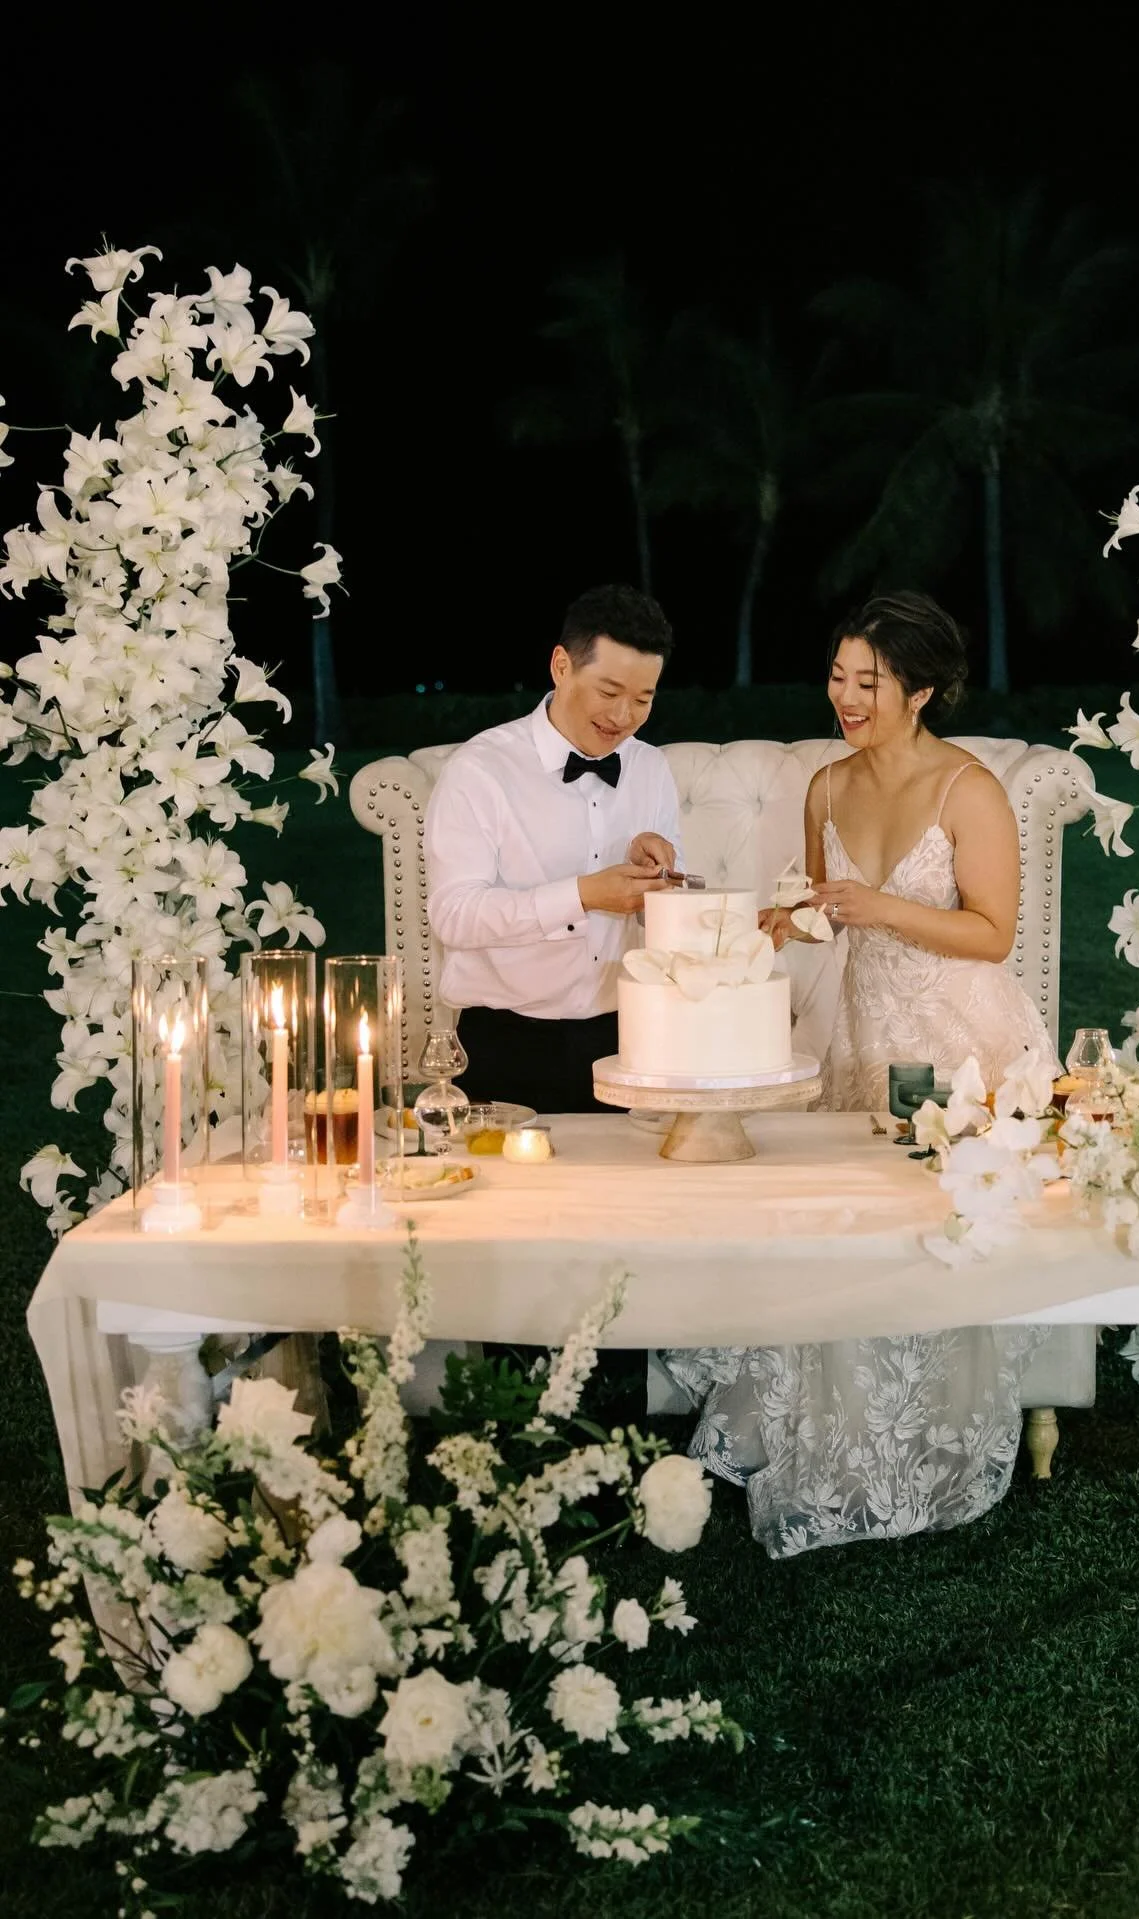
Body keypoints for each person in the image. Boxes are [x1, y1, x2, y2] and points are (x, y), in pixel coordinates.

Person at [662, 591, 1058, 1557]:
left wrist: (875, 904)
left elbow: (993, 932)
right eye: (839, 676)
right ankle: (833, 1444)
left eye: (869, 682)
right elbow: (819, 911)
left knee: (933, 1232)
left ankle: (930, 1441)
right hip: (863, 1032)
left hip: (964, 1043)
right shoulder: (825, 788)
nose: (846, 696)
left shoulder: (971, 790)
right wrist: (756, 924)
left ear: (920, 690)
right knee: (845, 1233)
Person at [424, 584, 682, 1114]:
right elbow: (453, 915)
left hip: (623, 1041)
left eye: (644, 698)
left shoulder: (650, 769)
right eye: (609, 692)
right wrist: (584, 895)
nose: (625, 715)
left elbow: (662, 929)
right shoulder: (481, 770)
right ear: (561, 666)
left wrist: (661, 882)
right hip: (504, 1044)